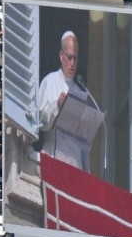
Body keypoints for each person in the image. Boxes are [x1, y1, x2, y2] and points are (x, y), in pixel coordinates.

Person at [37, 31, 99, 171]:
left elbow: (84, 142)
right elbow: (40, 121)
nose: (72, 63)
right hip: (55, 160)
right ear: (61, 55)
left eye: (75, 58)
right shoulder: (50, 81)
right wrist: (57, 106)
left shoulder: (79, 90)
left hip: (75, 164)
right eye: (69, 57)